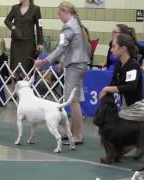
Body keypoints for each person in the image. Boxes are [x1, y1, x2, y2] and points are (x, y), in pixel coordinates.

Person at [35, 2, 91, 145]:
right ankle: (73, 133)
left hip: (75, 66)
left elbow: (60, 48)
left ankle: (77, 136)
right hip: (80, 64)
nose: (59, 17)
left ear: (66, 12)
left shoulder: (69, 27)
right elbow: (78, 48)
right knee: (74, 100)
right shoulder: (77, 25)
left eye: (59, 14)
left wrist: (43, 61)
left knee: (73, 101)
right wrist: (62, 62)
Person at [99, 34, 144, 122]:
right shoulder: (118, 66)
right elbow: (113, 84)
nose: (111, 50)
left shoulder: (133, 66)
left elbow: (130, 87)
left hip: (137, 110)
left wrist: (107, 89)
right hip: (125, 109)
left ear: (123, 48)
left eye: (113, 47)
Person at [4, 0, 44, 73]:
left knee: (27, 67)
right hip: (16, 42)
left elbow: (39, 26)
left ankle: (26, 84)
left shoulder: (36, 9)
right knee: (15, 67)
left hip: (29, 43)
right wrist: (13, 27)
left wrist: (40, 42)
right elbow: (7, 20)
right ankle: (15, 84)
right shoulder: (14, 8)